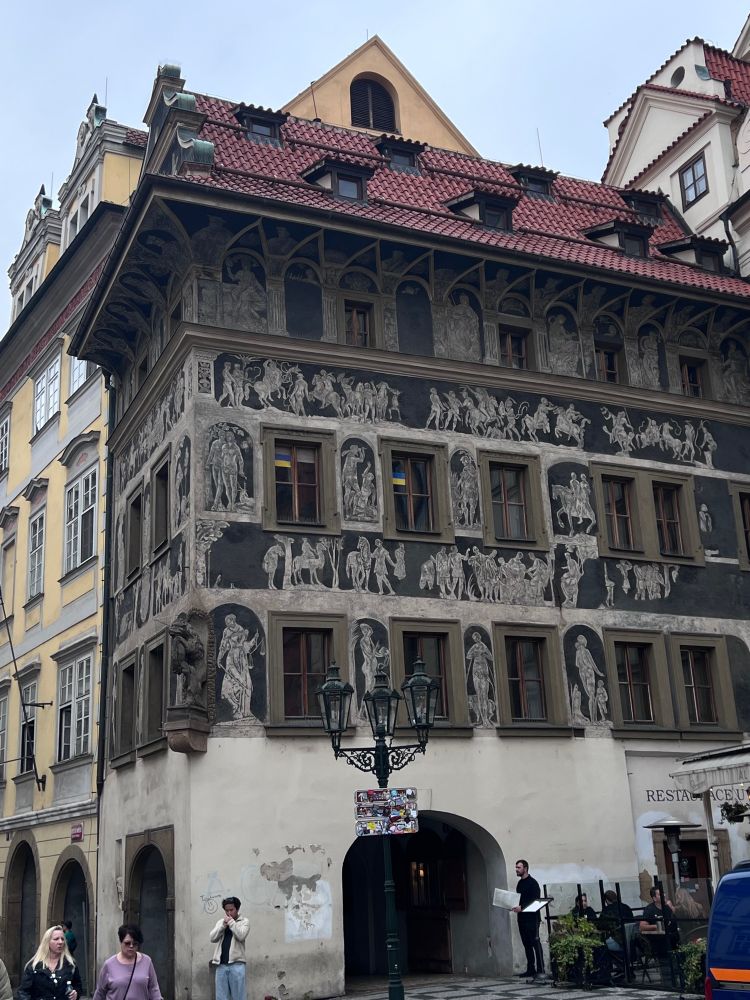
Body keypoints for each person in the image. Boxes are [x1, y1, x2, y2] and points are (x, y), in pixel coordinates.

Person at [93, 924, 161, 1000]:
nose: (131, 946)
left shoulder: (146, 961)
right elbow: (100, 992)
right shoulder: (109, 965)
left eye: (135, 943)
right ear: (121, 942)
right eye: (127, 943)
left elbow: (154, 989)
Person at [18, 925, 82, 1000]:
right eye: (56, 939)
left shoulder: (70, 965)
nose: (60, 942)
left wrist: (76, 994)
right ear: (47, 942)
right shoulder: (34, 966)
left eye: (62, 939)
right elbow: (23, 992)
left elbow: (78, 986)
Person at [210, 896, 250, 1000]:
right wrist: (223, 926)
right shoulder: (221, 922)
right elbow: (212, 938)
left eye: (231, 910)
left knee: (239, 997)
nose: (229, 913)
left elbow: (241, 935)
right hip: (221, 965)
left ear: (237, 909)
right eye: (226, 910)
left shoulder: (244, 922)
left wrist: (231, 923)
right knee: (221, 997)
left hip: (237, 965)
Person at [512, 859, 544, 978]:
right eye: (516, 867)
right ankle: (531, 968)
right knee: (526, 944)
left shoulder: (533, 883)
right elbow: (518, 899)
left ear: (525, 868)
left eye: (518, 867)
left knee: (535, 943)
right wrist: (513, 905)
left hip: (532, 918)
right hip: (522, 918)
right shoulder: (520, 883)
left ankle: (541, 969)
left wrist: (522, 907)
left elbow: (535, 901)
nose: (516, 870)